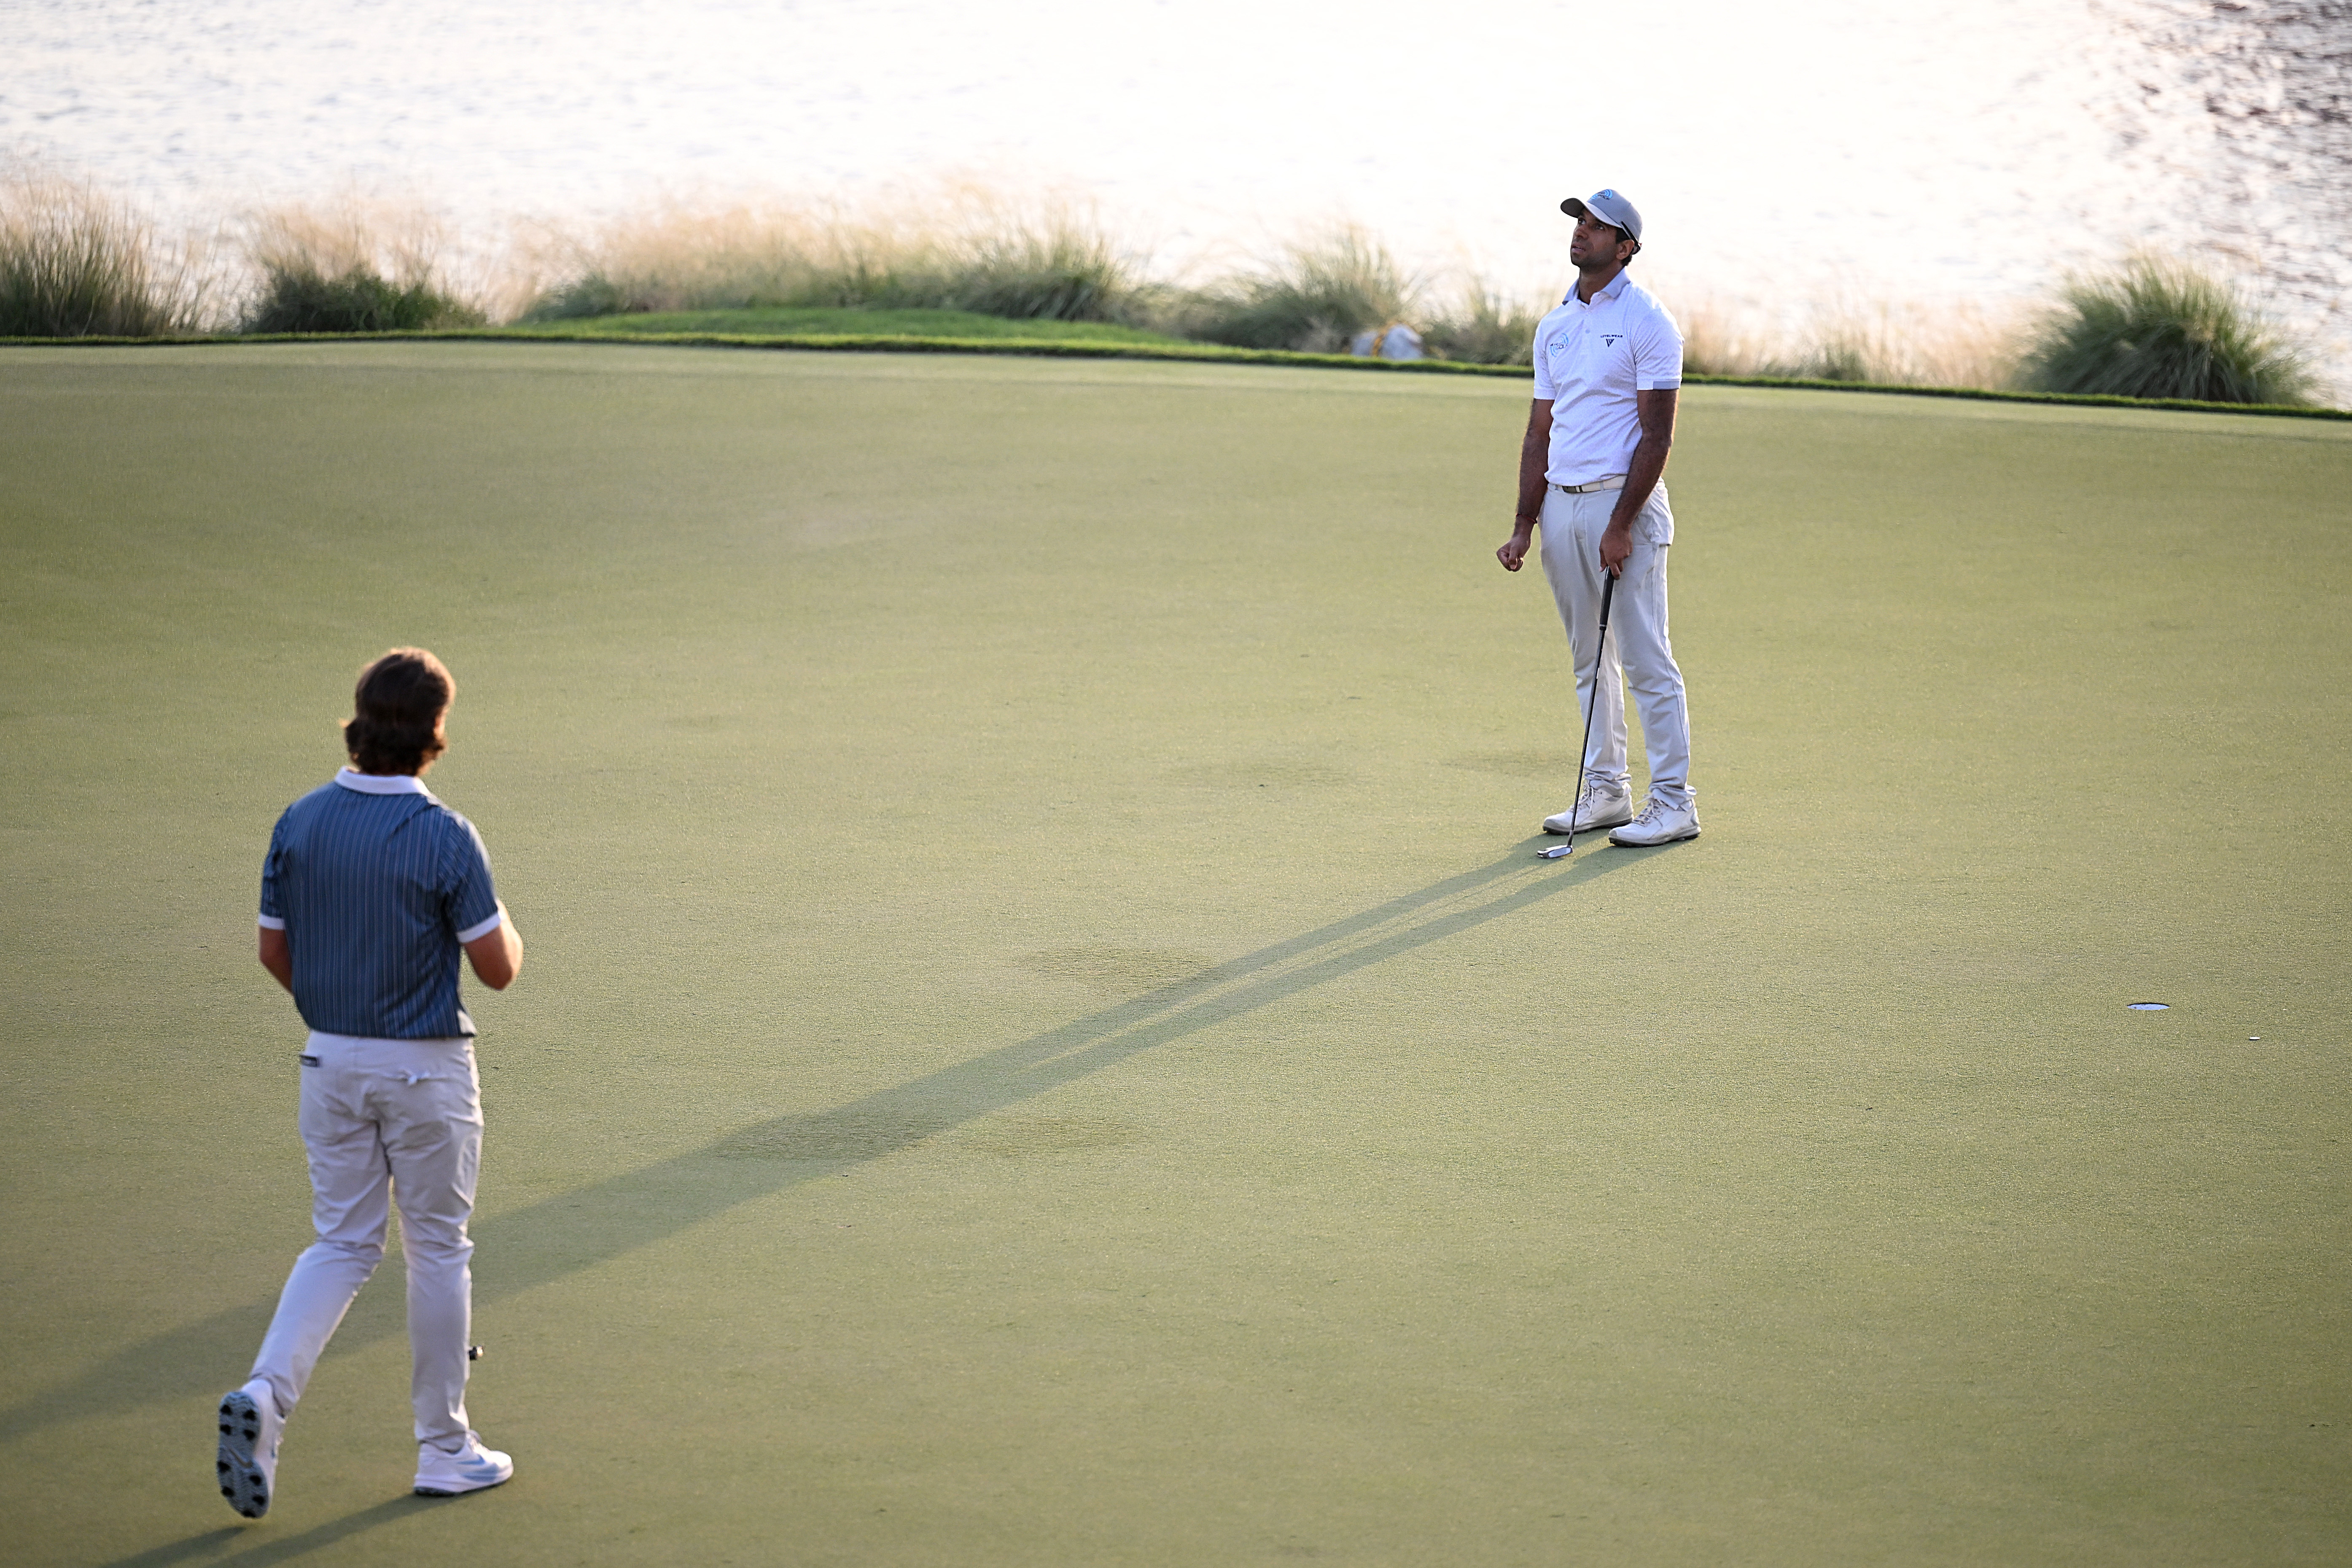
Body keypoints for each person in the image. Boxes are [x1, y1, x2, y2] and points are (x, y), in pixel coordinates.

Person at [218, 648, 523, 1519]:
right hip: (425, 1069)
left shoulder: (300, 821)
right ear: (434, 733)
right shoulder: (444, 835)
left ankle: (267, 1399)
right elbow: (497, 970)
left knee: (342, 1245)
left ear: (358, 721)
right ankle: (444, 1447)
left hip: (329, 1061)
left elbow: (275, 952)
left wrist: (334, 1006)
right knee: (437, 1249)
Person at [1496, 188, 1699, 845]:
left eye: (1596, 225)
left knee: (1644, 660)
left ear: (1626, 246)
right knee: (1589, 659)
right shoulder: (1554, 326)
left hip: (1624, 507)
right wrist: (1525, 523)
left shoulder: (1649, 322)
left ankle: (1672, 802)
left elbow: (1657, 436)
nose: (1581, 231)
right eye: (1579, 222)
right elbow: (1538, 432)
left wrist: (1620, 524)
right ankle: (1606, 791)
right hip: (1561, 505)